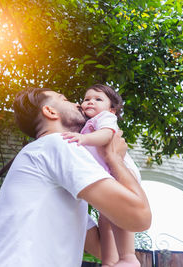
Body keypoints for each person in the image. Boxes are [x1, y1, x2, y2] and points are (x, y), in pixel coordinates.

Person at [0, 87, 151, 267]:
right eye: (65, 100)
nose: (79, 104)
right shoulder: (58, 143)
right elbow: (139, 217)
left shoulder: (48, 165)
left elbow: (101, 247)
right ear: (50, 111)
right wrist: (115, 159)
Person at [62, 84, 141, 267]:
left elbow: (106, 135)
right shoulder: (85, 125)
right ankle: (110, 261)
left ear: (112, 110)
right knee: (106, 218)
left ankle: (129, 257)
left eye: (98, 99)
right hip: (108, 174)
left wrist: (84, 139)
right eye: (86, 99)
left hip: (120, 172)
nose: (90, 102)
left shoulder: (105, 118)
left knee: (120, 214)